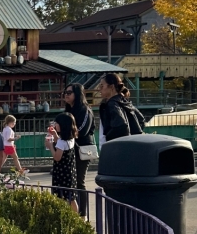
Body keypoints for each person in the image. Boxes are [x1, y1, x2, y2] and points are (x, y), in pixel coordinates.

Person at [64, 84, 95, 215]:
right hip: (70, 149)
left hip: (82, 149)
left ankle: (82, 213)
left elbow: (82, 130)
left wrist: (66, 134)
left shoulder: (85, 110)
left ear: (77, 94)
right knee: (70, 181)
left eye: (69, 92)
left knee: (79, 181)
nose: (66, 94)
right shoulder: (68, 110)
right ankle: (72, 210)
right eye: (65, 92)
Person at [98, 72, 145, 143]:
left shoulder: (112, 104)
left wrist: (109, 138)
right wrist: (133, 135)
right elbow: (141, 120)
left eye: (102, 86)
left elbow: (121, 126)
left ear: (111, 87)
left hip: (117, 147)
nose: (99, 89)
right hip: (133, 145)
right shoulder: (125, 101)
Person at [46, 112, 78, 212]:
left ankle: (64, 216)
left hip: (61, 173)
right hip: (70, 172)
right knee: (71, 198)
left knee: (61, 197)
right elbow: (61, 144)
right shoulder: (70, 138)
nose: (55, 125)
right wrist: (55, 135)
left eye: (57, 123)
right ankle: (76, 218)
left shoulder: (61, 142)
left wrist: (51, 146)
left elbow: (57, 157)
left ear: (62, 125)